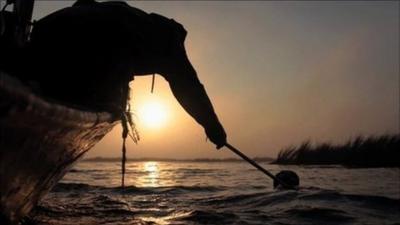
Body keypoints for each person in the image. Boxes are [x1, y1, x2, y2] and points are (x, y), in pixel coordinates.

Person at [20, 0, 227, 149]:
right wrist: (213, 127)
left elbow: (81, 6)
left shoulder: (126, 14)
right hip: (87, 40)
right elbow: (189, 87)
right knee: (102, 92)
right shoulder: (167, 41)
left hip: (47, 28)